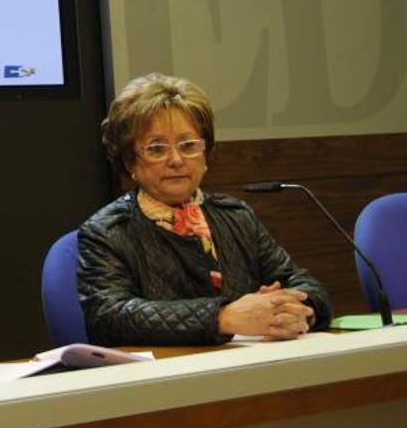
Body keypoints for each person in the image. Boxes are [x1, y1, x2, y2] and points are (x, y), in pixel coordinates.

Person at [77, 73, 332, 346]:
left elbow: (298, 280)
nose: (176, 160)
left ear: (205, 155)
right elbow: (109, 317)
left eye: (188, 146)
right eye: (157, 149)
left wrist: (294, 311)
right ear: (130, 162)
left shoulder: (236, 216)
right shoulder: (107, 231)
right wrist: (224, 317)